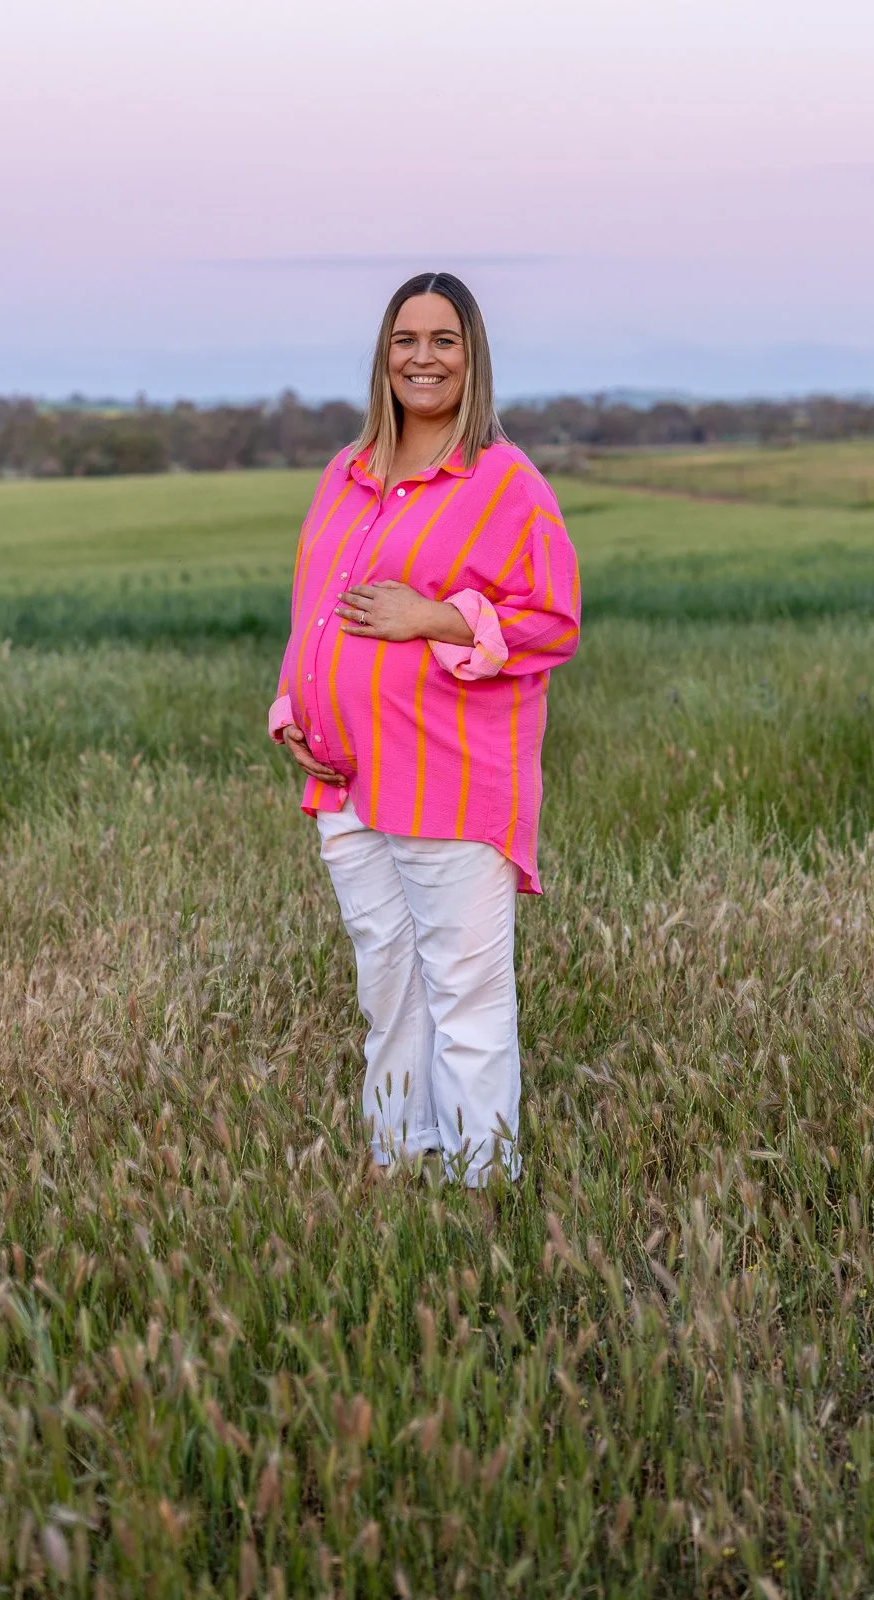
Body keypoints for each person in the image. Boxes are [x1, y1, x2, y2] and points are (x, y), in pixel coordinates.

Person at [268, 273, 581, 1186]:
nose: (423, 358)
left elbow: (553, 620)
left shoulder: (504, 481)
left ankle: (482, 1190)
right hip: (346, 783)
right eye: (406, 339)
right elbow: (312, 606)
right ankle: (403, 1165)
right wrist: (291, 709)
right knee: (388, 990)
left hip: (449, 779)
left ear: (472, 355)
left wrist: (434, 617)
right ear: (384, 354)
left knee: (465, 997)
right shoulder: (347, 471)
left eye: (444, 340)